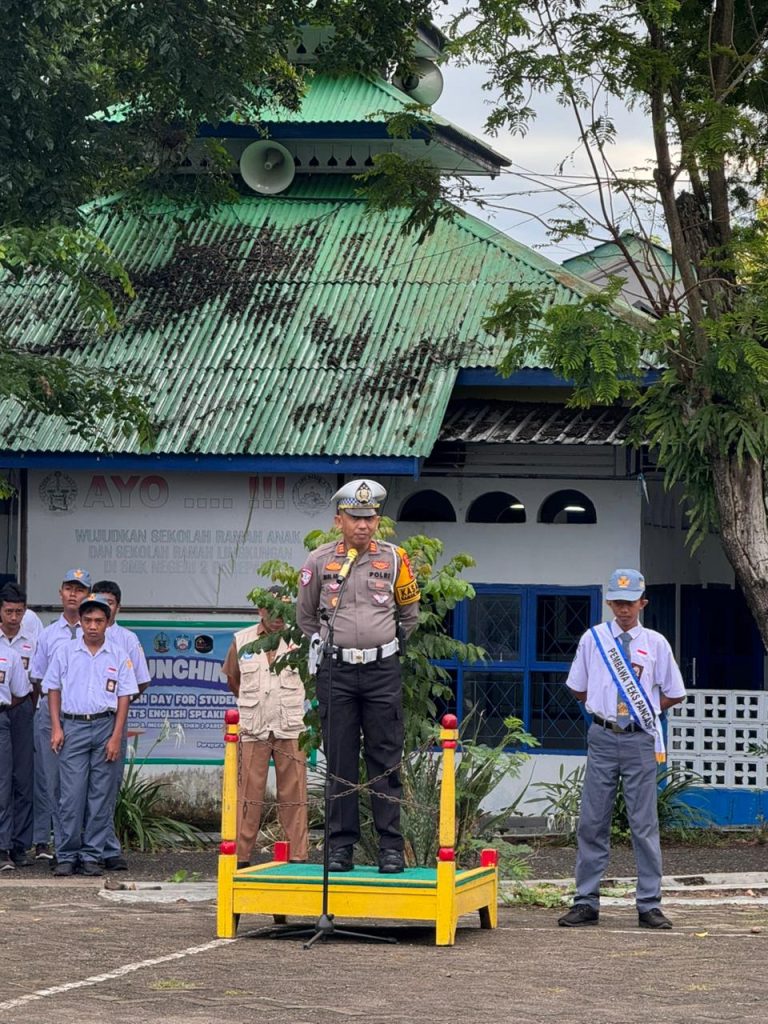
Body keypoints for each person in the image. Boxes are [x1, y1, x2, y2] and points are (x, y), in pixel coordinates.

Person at [296, 478, 420, 874]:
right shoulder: (319, 561)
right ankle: (339, 847)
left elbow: (409, 616)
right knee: (340, 759)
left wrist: (383, 645)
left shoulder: (395, 559)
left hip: (383, 669)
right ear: (339, 520)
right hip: (337, 669)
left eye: (369, 518)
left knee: (385, 757)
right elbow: (305, 617)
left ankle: (389, 847)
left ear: (377, 520)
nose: (363, 525)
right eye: (355, 518)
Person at [557, 568, 686, 930]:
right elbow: (579, 688)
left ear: (642, 603)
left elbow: (673, 692)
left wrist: (643, 711)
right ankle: (585, 901)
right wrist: (606, 711)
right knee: (592, 820)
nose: (623, 609)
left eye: (630, 603)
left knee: (643, 822)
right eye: (617, 602)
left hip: (640, 737)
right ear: (609, 602)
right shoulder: (593, 639)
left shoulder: (656, 643)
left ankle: (649, 904)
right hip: (602, 735)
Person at [44, 594, 138, 877]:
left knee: (101, 796)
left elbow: (125, 697)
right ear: (81, 622)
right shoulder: (65, 651)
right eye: (87, 620)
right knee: (70, 796)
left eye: (99, 620)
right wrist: (57, 727)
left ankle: (91, 855)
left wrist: (115, 736)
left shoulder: (119, 654)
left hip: (105, 727)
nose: (93, 626)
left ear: (108, 623)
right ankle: (67, 853)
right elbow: (52, 689)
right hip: (72, 727)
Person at [223, 585, 309, 867]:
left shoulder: (303, 639)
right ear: (260, 610)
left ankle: (297, 857)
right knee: (248, 794)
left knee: (294, 795)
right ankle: (242, 858)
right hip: (253, 727)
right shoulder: (242, 640)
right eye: (271, 608)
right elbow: (233, 679)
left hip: (291, 726)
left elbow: (313, 681)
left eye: (285, 608)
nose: (278, 615)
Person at [29, 567, 92, 861]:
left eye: (79, 590)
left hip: (80, 716)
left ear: (87, 595)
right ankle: (43, 842)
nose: (73, 594)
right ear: (60, 592)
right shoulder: (48, 633)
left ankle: (71, 843)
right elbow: (37, 677)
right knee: (47, 779)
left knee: (76, 783)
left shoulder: (93, 632)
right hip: (50, 711)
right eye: (69, 588)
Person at [92, 579, 152, 871]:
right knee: (74, 789)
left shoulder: (126, 639)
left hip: (112, 720)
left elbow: (140, 681)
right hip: (78, 721)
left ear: (117, 606)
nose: (104, 608)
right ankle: (78, 850)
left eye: (110, 603)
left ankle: (107, 849)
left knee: (106, 787)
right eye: (99, 601)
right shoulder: (80, 635)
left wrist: (119, 702)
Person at [0, 582, 38, 867]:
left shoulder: (32, 638)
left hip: (22, 709)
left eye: (19, 611)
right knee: (2, 781)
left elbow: (32, 683)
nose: (14, 617)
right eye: (9, 611)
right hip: (3, 710)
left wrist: (27, 707)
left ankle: (19, 846)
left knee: (23, 779)